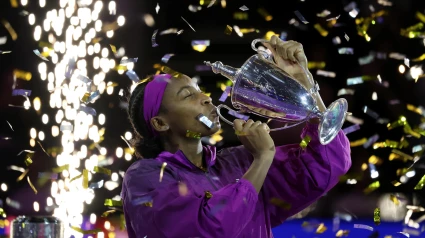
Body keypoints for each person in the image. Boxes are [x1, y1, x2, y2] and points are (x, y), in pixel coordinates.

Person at [121, 35, 351, 238]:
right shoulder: (145, 178)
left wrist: (304, 84)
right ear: (160, 123)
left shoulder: (238, 162)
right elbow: (206, 229)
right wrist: (262, 160)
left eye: (200, 90)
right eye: (187, 95)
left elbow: (327, 167)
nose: (206, 98)